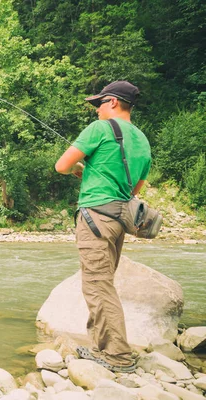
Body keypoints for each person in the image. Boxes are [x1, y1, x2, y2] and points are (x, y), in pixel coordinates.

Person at [54, 80, 151, 373]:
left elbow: (62, 165)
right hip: (120, 219)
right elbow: (136, 188)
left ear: (112, 102)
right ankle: (99, 348)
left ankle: (118, 357)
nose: (96, 110)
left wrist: (78, 169)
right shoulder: (143, 140)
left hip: (96, 217)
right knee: (101, 283)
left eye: (99, 104)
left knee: (98, 286)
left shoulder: (100, 129)